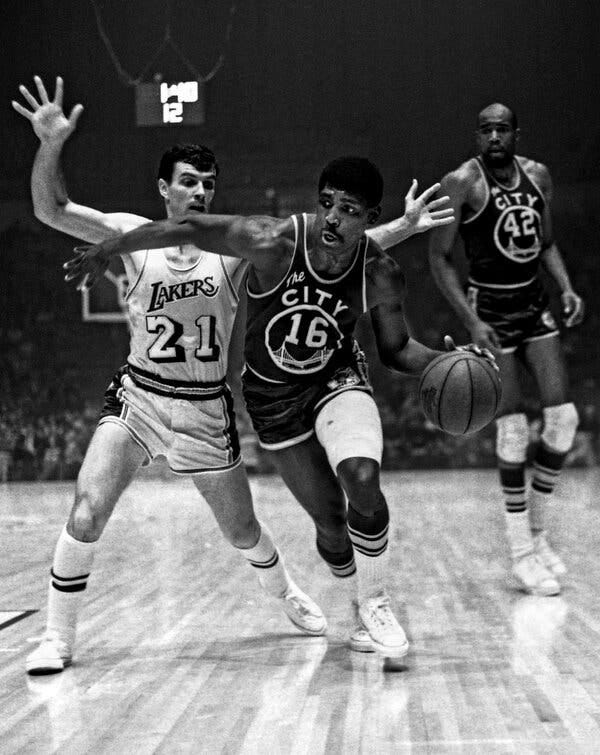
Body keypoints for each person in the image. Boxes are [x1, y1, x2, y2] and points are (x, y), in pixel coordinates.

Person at [66, 154, 496, 660]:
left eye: (350, 210)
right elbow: (188, 224)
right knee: (332, 526)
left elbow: (396, 349)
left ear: (370, 218)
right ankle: (351, 598)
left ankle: (374, 602)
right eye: (327, 204)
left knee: (361, 476)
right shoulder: (273, 240)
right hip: (272, 399)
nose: (334, 218)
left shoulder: (380, 273)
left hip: (337, 378)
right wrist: (109, 247)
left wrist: (448, 360)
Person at [12, 75, 331, 675]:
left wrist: (394, 230)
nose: (201, 192)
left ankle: (284, 590)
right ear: (164, 189)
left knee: (242, 531)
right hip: (138, 399)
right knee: (87, 509)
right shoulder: (131, 235)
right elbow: (49, 208)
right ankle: (57, 638)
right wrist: (50, 143)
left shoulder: (232, 247)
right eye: (189, 182)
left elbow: (317, 249)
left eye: (208, 184)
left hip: (205, 408)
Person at [428, 103, 584, 596]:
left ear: (517, 133)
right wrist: (470, 320)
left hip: (533, 301)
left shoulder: (539, 175)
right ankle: (521, 555)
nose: (494, 136)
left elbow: (547, 242)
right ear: (477, 136)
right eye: (486, 129)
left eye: (503, 128)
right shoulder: (461, 183)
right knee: (514, 429)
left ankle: (537, 537)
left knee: (564, 420)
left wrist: (566, 287)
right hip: (489, 310)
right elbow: (438, 257)